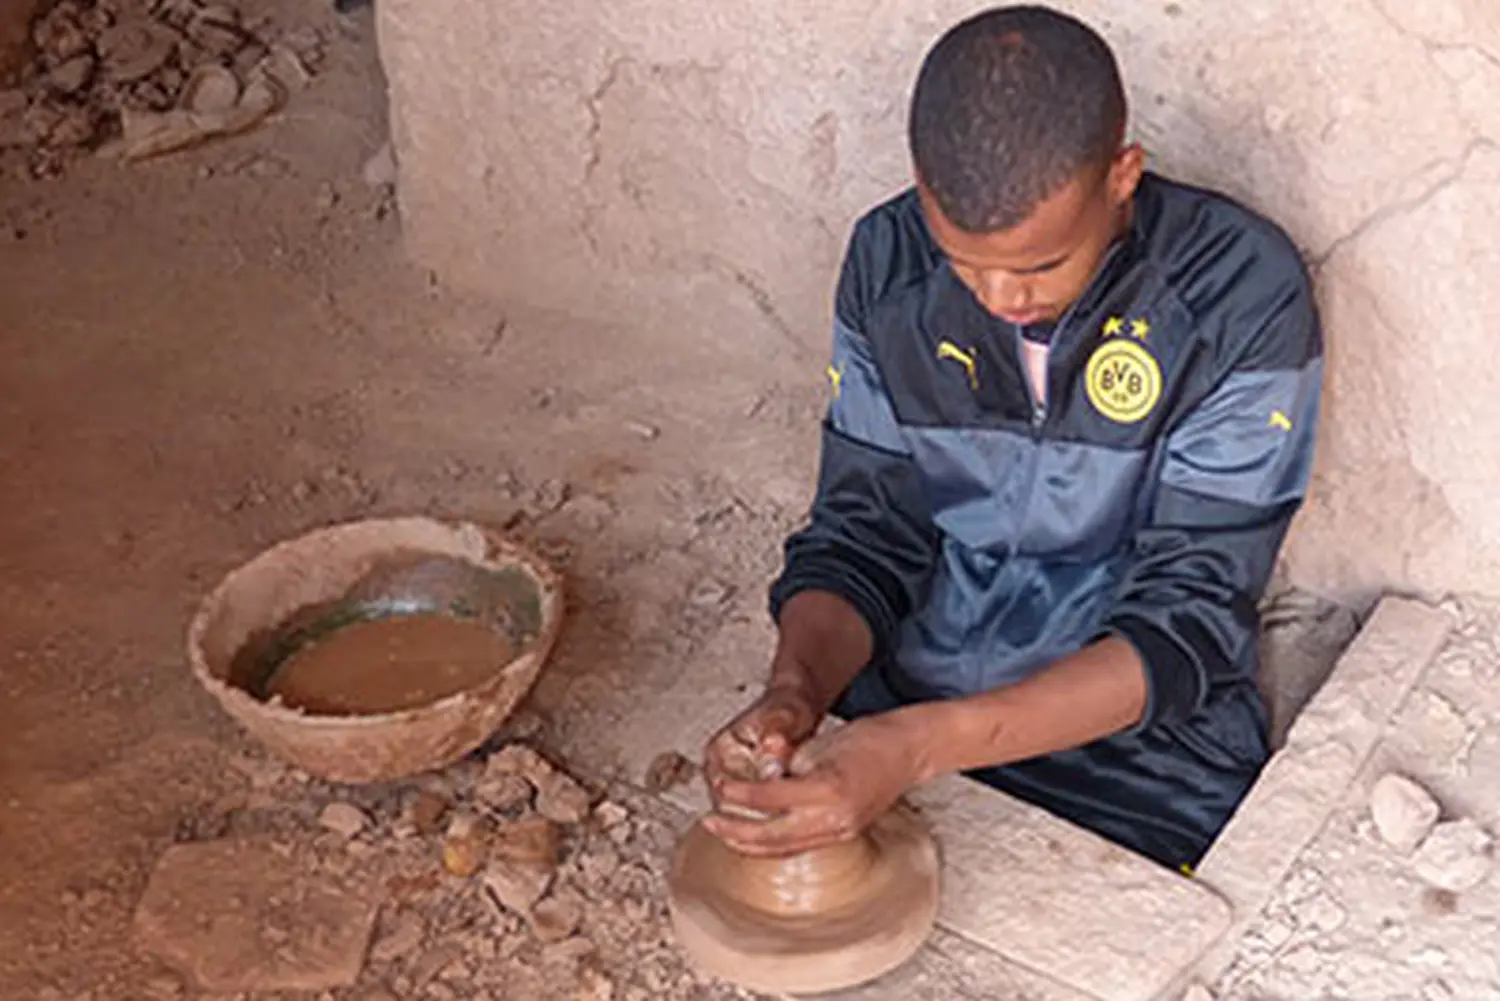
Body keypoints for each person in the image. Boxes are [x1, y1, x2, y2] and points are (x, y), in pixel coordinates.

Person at [700, 4, 1322, 873]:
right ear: (924, 196)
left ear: (1121, 176)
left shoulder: (1237, 293)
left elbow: (1191, 614)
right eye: (964, 260)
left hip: (1139, 759)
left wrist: (915, 749)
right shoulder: (888, 264)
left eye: (1038, 266)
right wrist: (796, 693)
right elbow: (861, 534)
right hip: (905, 697)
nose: (998, 296)